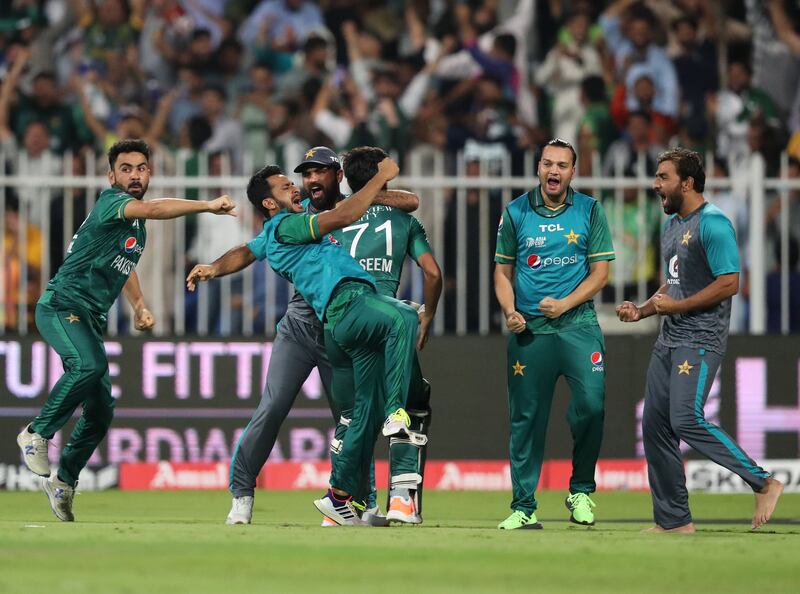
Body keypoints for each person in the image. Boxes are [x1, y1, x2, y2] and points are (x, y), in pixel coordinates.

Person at [185, 146, 418, 525]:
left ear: (336, 176)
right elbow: (248, 250)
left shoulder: (356, 204)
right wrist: (213, 267)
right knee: (274, 407)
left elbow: (409, 201)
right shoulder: (296, 220)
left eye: (314, 174)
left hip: (336, 327)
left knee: (350, 417)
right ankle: (241, 494)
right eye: (299, 177)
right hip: (301, 326)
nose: (305, 183)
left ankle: (363, 501)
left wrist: (373, 189)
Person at [16, 139, 236, 522]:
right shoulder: (112, 202)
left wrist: (139, 304)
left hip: (89, 317)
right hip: (61, 306)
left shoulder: (135, 224)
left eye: (141, 168)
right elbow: (155, 207)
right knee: (88, 367)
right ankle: (36, 433)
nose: (135, 175)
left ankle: (63, 483)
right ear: (111, 175)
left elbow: (123, 262)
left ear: (149, 172)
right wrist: (207, 205)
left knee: (101, 411)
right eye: (126, 168)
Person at [616, 147, 784, 532]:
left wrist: (680, 307)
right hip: (669, 338)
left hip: (700, 338)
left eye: (663, 177)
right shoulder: (673, 224)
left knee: (685, 419)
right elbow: (674, 282)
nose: (655, 184)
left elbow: (730, 283)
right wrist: (643, 310)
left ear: (687, 183)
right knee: (655, 424)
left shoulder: (714, 223)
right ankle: (674, 521)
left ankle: (763, 481)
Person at [493, 138, 615, 530]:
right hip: (530, 332)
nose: (554, 171)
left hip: (578, 327)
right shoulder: (515, 213)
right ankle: (524, 506)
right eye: (548, 163)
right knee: (525, 419)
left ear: (572, 172)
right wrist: (510, 310)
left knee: (592, 406)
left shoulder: (590, 210)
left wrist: (564, 304)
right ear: (538, 167)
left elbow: (600, 274)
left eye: (562, 165)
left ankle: (580, 490)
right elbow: (502, 273)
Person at [330, 146, 443, 524]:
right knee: (410, 406)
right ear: (385, 177)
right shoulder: (404, 221)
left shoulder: (335, 215)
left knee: (352, 415)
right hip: (387, 319)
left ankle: (347, 505)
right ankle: (402, 500)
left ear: (345, 178)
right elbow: (432, 273)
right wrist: (426, 317)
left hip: (341, 323)